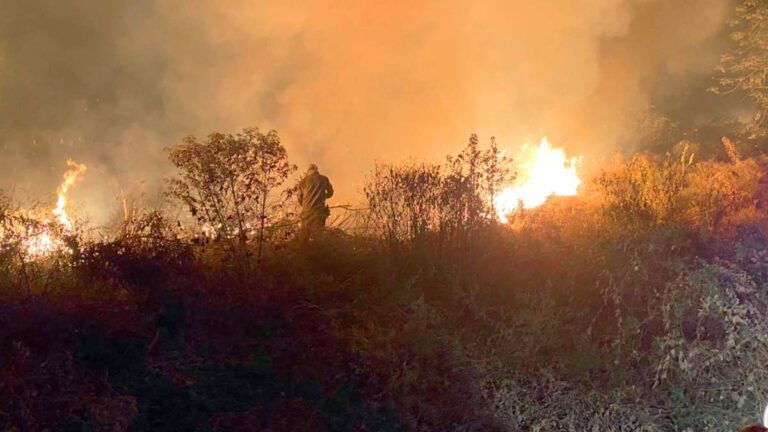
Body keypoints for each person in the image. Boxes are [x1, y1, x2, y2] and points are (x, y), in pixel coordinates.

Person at [297, 164, 334, 243]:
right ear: (317, 170)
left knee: (304, 237)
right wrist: (323, 196)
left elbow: (299, 199)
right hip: (319, 213)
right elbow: (330, 193)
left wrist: (305, 205)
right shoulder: (324, 179)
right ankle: (318, 253)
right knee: (318, 237)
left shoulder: (303, 181)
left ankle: (303, 253)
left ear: (308, 171)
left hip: (306, 213)